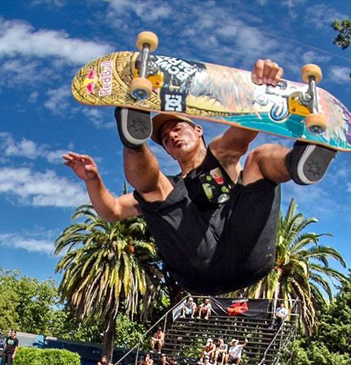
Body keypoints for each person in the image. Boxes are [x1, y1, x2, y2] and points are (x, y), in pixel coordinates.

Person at [64, 59, 336, 295]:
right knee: (157, 191)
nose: (171, 135)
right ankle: (134, 138)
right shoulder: (165, 188)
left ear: (197, 130)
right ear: (167, 152)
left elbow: (245, 130)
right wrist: (92, 180)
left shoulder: (221, 154)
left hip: (247, 254)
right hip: (196, 269)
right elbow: (111, 211)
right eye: (165, 138)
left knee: (259, 157)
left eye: (177, 127)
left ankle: (299, 162)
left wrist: (261, 88)